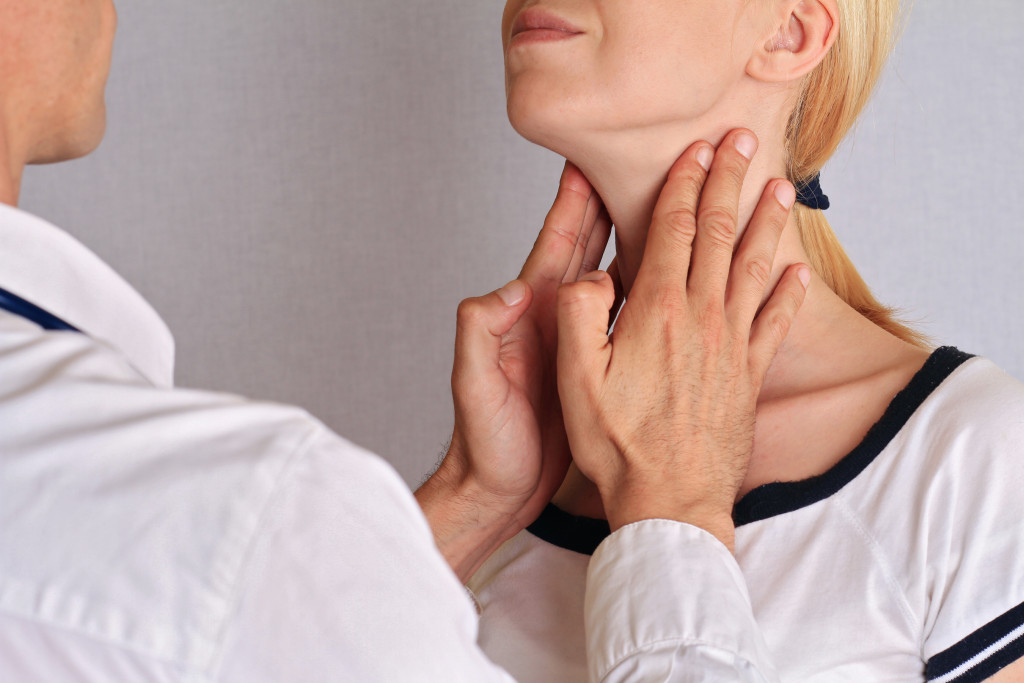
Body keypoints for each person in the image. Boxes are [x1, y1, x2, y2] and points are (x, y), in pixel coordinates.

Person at [0, 1, 809, 681]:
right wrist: (674, 512)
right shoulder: (253, 515)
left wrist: (473, 499)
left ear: (791, 31)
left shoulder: (935, 462)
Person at [464, 1, 1024, 682]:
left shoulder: (980, 462)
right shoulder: (501, 483)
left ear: (790, 32)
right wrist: (470, 504)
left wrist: (667, 509)